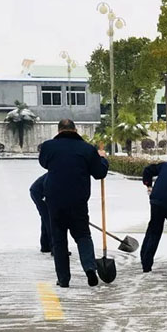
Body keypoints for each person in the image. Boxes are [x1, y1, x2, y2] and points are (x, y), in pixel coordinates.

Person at [39, 119, 108, 287]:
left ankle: (63, 280)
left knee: (59, 239)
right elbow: (99, 173)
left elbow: (43, 163)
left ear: (59, 130)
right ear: (75, 130)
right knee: (83, 235)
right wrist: (103, 160)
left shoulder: (48, 146)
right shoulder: (87, 149)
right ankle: (90, 269)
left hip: (54, 201)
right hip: (78, 200)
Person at [29, 174, 52, 253]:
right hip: (39, 193)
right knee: (50, 219)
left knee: (46, 218)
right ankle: (55, 248)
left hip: (40, 192)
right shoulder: (58, 173)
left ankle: (46, 246)